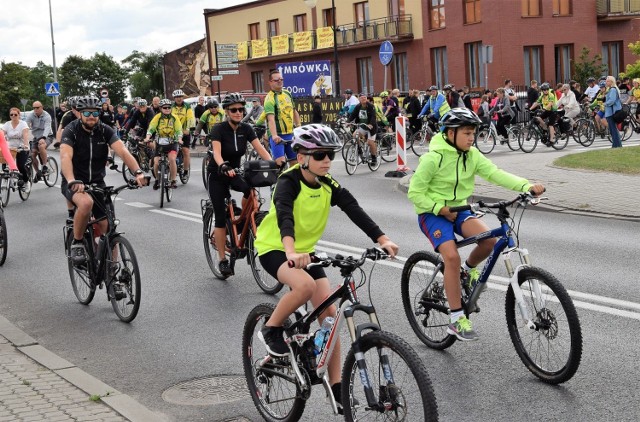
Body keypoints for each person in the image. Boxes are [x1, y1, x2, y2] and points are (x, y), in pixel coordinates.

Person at [254, 124, 398, 411]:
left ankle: (337, 388)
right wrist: (292, 250)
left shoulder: (328, 184)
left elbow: (353, 208)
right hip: (276, 248)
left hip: (305, 253)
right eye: (320, 155)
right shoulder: (289, 181)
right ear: (302, 156)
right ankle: (271, 329)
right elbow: (284, 214)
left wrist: (381, 238)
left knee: (330, 318)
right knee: (304, 286)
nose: (327, 161)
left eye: (330, 155)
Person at [407, 108, 544, 341]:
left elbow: (495, 173)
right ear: (450, 134)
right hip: (432, 212)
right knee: (451, 257)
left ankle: (468, 272)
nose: (472, 138)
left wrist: (525, 186)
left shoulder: (472, 155)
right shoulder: (433, 158)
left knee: (490, 240)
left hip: (460, 209)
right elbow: (414, 192)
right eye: (467, 133)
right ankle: (456, 319)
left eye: (474, 133)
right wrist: (439, 208)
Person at [60, 95, 147, 265]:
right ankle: (78, 242)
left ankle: (111, 270)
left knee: (108, 228)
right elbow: (65, 156)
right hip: (74, 181)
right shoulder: (71, 130)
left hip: (98, 182)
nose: (91, 116)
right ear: (79, 114)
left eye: (95, 113)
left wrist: (138, 172)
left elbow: (122, 151)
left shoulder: (105, 130)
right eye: (86, 112)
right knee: (85, 204)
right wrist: (71, 180)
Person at [207, 93, 272, 276]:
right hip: (218, 173)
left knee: (249, 190)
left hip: (235, 172)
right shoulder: (219, 129)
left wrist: (274, 165)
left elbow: (260, 149)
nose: (238, 112)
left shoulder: (246, 128)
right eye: (234, 110)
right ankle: (222, 259)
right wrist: (223, 165)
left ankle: (244, 219)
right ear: (226, 111)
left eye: (241, 109)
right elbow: (217, 153)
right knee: (220, 216)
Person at [264, 69, 301, 169]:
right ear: (270, 82)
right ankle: (278, 183)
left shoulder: (287, 93)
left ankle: (292, 184)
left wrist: (298, 128)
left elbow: (294, 111)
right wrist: (275, 135)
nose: (280, 81)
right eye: (276, 80)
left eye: (281, 79)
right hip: (278, 136)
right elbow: (271, 119)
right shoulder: (269, 99)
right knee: (280, 164)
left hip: (290, 134)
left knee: (295, 164)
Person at [145, 99, 183, 189]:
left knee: (172, 159)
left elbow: (178, 130)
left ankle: (173, 180)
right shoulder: (157, 117)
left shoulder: (174, 117)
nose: (167, 109)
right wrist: (147, 137)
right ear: (161, 108)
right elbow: (151, 128)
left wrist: (180, 139)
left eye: (169, 107)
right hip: (159, 143)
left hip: (172, 142)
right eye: (165, 107)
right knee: (156, 162)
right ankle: (157, 180)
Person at [25, 101, 54, 182]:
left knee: (41, 146)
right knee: (32, 154)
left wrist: (43, 137)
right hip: (36, 137)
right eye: (34, 108)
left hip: (47, 136)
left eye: (37, 108)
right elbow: (25, 127)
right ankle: (38, 173)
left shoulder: (46, 115)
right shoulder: (31, 115)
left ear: (42, 107)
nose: (35, 109)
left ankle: (45, 166)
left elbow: (47, 127)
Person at [2, 107, 31, 186]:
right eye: (11, 114)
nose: (13, 116)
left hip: (21, 148)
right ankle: (7, 180)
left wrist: (25, 146)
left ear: (19, 115)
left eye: (15, 114)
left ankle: (26, 182)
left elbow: (25, 135)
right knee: (4, 165)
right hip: (10, 148)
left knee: (20, 166)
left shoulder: (23, 124)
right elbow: (2, 134)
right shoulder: (7, 124)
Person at [348, 93, 378, 165]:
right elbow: (353, 115)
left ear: (366, 99)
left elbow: (373, 116)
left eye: (365, 98)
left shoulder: (371, 106)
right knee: (355, 135)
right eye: (362, 98)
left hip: (371, 127)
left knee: (370, 143)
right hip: (362, 126)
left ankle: (374, 157)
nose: (363, 99)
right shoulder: (358, 106)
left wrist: (370, 124)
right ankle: (359, 150)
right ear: (359, 99)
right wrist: (348, 122)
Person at [171, 89, 195, 174]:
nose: (179, 99)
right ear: (174, 98)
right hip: (173, 132)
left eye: (180, 97)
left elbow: (190, 118)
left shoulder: (187, 106)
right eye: (177, 97)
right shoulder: (171, 107)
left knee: (185, 151)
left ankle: (185, 171)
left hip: (185, 131)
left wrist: (188, 129)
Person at [605, 75, 623, 148]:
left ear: (612, 82)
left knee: (613, 130)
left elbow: (612, 100)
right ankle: (617, 144)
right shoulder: (613, 89)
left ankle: (616, 145)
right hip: (612, 111)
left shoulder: (612, 89)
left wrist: (605, 103)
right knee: (613, 129)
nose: (606, 82)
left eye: (608, 81)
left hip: (611, 112)